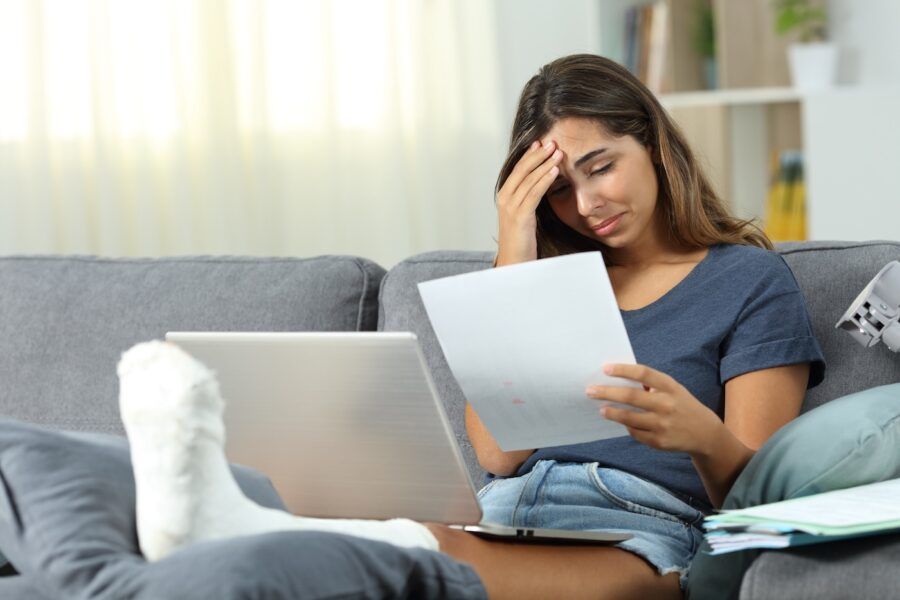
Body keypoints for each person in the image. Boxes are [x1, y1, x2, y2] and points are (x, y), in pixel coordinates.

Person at [119, 54, 825, 600]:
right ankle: (224, 523)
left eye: (600, 167)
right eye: (556, 194)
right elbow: (499, 455)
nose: (586, 205)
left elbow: (754, 501)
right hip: (508, 508)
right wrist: (514, 248)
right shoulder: (547, 280)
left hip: (644, 534)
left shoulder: (748, 281)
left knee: (417, 557)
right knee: (396, 539)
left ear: (653, 143)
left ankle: (227, 527)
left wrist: (695, 431)